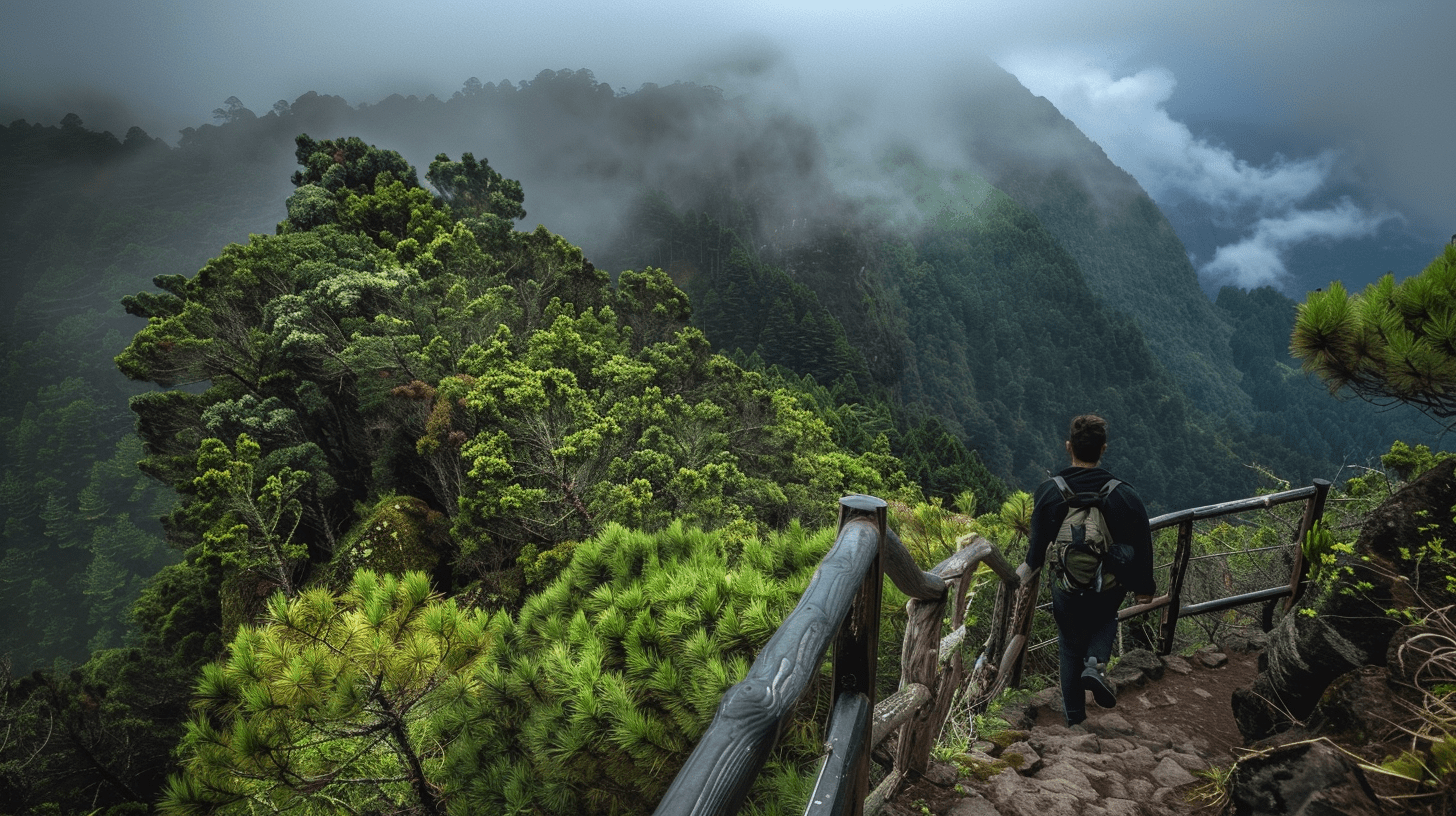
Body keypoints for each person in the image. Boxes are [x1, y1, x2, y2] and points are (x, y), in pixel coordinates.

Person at [1025, 414, 1155, 727]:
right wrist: (1144, 588)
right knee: (1106, 617)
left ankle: (1075, 721)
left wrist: (1024, 576)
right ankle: (1095, 665)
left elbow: (1035, 555)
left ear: (1068, 447)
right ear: (1103, 449)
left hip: (1068, 588)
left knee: (1069, 646)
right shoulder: (1124, 494)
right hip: (1107, 588)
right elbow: (1141, 543)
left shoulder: (1050, 492)